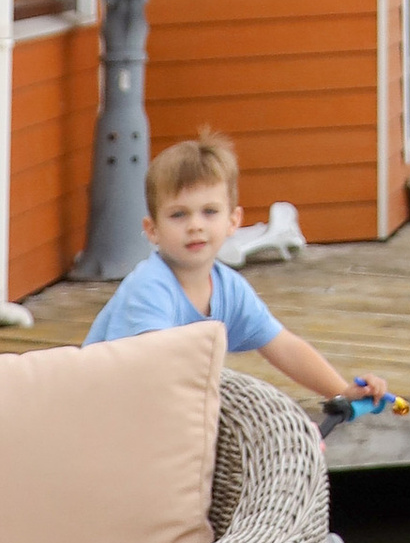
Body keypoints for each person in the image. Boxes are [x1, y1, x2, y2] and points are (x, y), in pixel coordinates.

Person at [82, 129, 382, 404]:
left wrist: (342, 391)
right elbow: (157, 363)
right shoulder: (150, 286)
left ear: (233, 221)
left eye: (209, 212)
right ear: (152, 230)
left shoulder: (229, 287)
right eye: (178, 215)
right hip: (100, 408)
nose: (195, 226)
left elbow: (283, 346)